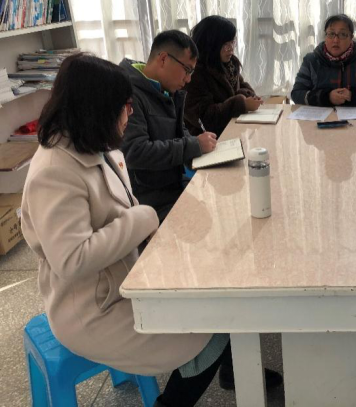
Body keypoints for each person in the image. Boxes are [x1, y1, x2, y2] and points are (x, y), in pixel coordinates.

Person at [21, 53, 229, 407]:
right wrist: (142, 219)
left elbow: (117, 210)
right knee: (213, 328)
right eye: (124, 106)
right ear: (96, 109)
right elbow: (72, 259)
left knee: (218, 302)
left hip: (121, 283)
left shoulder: (91, 145)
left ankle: (231, 370)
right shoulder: (54, 171)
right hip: (91, 313)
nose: (130, 114)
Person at [119, 30, 217, 222]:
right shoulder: (129, 93)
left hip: (175, 182)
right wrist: (194, 145)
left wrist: (199, 146)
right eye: (187, 70)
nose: (188, 79)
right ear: (163, 59)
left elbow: (179, 131)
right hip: (151, 199)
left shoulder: (165, 87)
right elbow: (135, 152)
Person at [185, 15, 263, 137]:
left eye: (232, 42)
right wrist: (242, 104)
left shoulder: (229, 64)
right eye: (226, 44)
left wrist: (249, 96)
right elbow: (204, 119)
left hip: (232, 130)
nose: (231, 48)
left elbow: (241, 86)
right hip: (206, 139)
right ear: (210, 44)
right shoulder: (195, 73)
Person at [291, 14, 356, 106]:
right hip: (320, 118)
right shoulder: (311, 60)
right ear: (325, 37)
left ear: (351, 37)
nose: (336, 40)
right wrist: (327, 97)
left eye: (343, 34)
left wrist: (354, 96)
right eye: (331, 34)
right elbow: (296, 94)